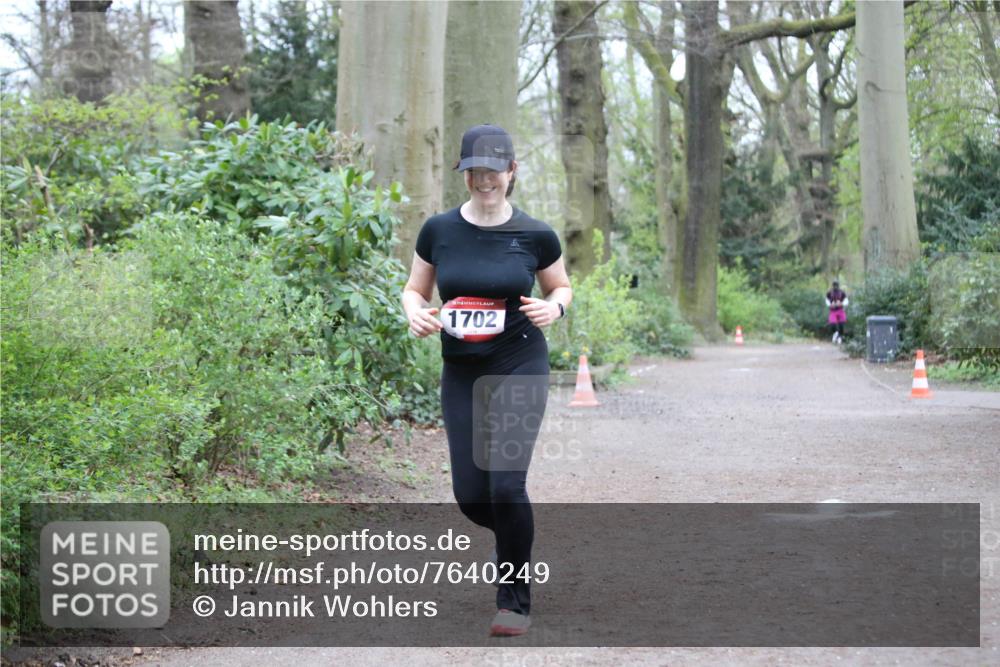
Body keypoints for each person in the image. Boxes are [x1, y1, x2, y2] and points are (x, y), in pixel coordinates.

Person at [401, 124, 572, 637]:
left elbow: (560, 285)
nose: (484, 180)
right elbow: (415, 289)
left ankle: (513, 601)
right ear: (465, 174)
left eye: (493, 170)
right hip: (462, 371)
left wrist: (554, 308)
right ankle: (514, 542)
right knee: (472, 496)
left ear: (511, 171)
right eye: (474, 171)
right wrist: (414, 312)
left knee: (506, 483)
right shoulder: (439, 230)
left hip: (519, 363)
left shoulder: (536, 234)